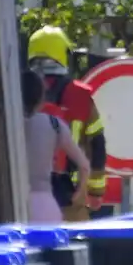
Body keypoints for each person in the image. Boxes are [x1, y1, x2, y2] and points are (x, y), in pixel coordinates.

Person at [26, 26, 107, 221]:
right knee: (73, 247)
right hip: (69, 196)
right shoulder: (80, 95)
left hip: (26, 196)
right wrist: (95, 192)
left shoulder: (19, 90)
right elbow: (97, 145)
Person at [22, 69, 90, 223]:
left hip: (10, 205)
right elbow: (84, 165)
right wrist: (80, 193)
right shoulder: (54, 125)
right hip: (44, 205)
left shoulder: (5, 125)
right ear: (41, 98)